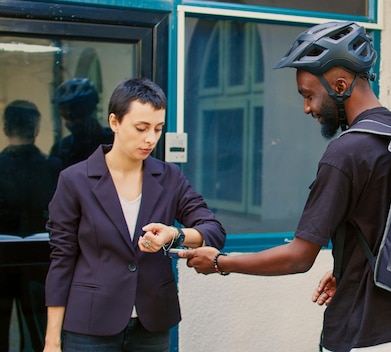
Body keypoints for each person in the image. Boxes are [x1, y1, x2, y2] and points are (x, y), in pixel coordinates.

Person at [181, 21, 391, 352]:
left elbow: (298, 257)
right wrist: (349, 270)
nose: (307, 108)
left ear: (340, 85)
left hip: (364, 338)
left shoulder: (346, 153)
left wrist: (219, 263)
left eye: (309, 95)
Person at [43, 77, 227, 352]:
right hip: (90, 325)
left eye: (158, 128)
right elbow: (62, 258)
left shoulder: (169, 177)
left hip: (152, 323)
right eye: (141, 128)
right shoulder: (75, 180)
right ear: (114, 122)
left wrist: (176, 234)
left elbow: (213, 229)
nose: (151, 138)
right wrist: (52, 340)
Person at [0, 100, 61, 352]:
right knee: (39, 334)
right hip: (40, 261)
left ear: (5, 128)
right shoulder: (52, 168)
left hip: (3, 261)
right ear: (36, 129)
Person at [50, 77, 114, 168]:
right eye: (65, 117)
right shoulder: (61, 149)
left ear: (92, 111)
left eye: (75, 116)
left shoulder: (115, 142)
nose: (70, 123)